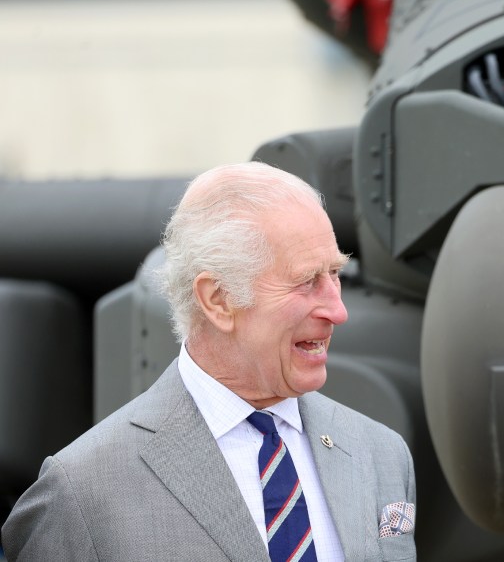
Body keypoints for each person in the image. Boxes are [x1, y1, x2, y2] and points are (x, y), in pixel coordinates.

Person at [1, 162, 417, 561]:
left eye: (335, 273)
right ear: (218, 300)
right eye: (307, 281)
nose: (337, 310)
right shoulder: (81, 492)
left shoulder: (380, 453)